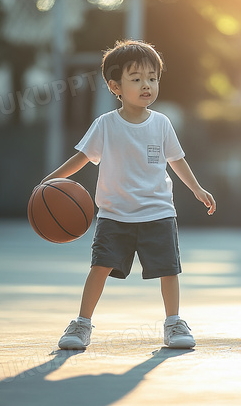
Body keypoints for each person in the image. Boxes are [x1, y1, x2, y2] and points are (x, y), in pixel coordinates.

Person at [40, 40, 216, 350]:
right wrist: (53, 179)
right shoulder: (106, 125)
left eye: (152, 78)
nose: (146, 85)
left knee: (169, 270)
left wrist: (197, 189)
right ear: (115, 86)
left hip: (158, 212)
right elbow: (82, 157)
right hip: (114, 215)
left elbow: (176, 160)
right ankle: (81, 325)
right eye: (136, 79)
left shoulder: (161, 124)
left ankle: (174, 323)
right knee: (99, 269)